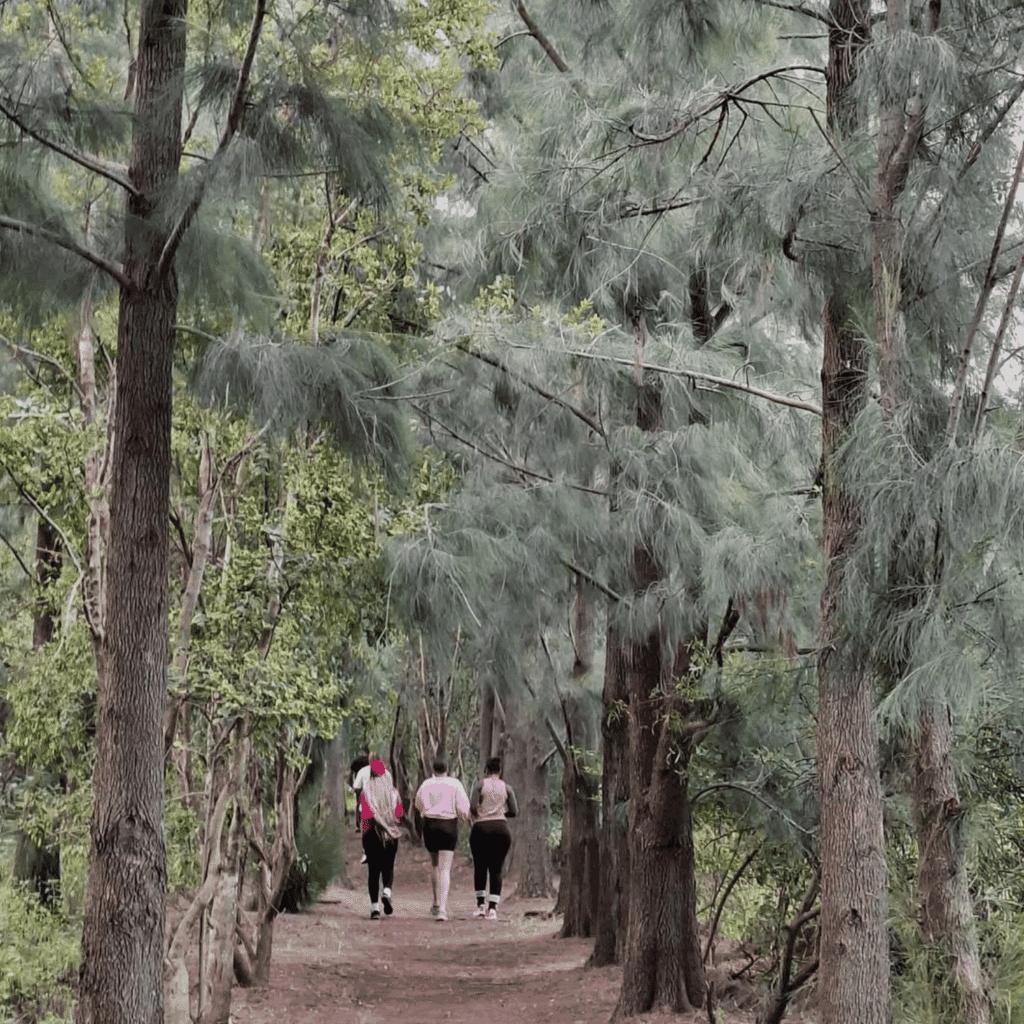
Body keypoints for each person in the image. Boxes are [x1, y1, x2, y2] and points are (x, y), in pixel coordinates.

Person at [414, 756, 470, 922]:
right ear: (447, 769)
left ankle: (436, 902)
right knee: (445, 868)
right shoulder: (455, 784)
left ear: (433, 769)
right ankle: (443, 910)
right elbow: (463, 809)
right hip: (448, 825)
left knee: (435, 865)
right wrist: (462, 818)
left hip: (430, 825)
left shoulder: (426, 784)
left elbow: (418, 804)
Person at [469, 756, 518, 920]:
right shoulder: (507, 787)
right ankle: (493, 909)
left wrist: (480, 814)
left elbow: (472, 806)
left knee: (480, 867)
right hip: (501, 830)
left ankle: (480, 905)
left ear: (486, 770)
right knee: (497, 869)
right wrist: (501, 813)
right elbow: (514, 811)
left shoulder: (480, 785)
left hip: (481, 828)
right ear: (500, 770)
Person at [360, 759, 403, 919]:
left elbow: (366, 814)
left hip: (371, 834)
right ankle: (386, 891)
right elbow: (398, 816)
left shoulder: (367, 790)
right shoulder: (393, 791)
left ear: (370, 774)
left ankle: (374, 908)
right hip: (391, 834)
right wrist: (389, 827)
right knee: (388, 866)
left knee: (373, 870)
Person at [349, 748, 370, 830]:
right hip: (369, 785)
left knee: (358, 803)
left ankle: (358, 825)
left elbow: (351, 774)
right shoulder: (370, 761)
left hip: (359, 786)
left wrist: (352, 785)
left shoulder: (356, 762)